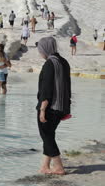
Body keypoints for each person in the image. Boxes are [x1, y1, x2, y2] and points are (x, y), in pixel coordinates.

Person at [36, 37, 71, 175]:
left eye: (40, 50)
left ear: (45, 49)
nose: (40, 53)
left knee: (46, 136)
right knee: (49, 135)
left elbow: (47, 89)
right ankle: (45, 166)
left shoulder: (49, 64)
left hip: (50, 107)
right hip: (62, 107)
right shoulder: (64, 62)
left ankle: (58, 166)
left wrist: (42, 109)